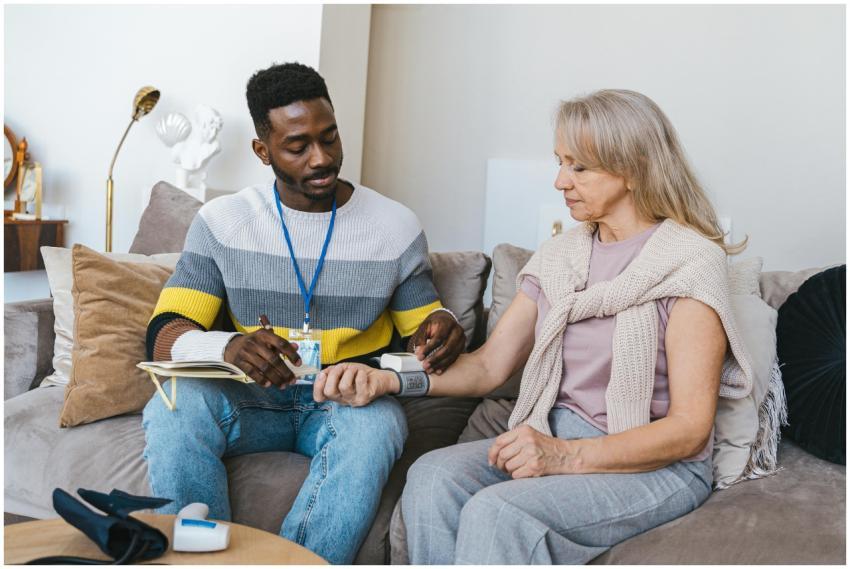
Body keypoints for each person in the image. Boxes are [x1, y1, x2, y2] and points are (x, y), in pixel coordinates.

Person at [312, 89, 755, 564]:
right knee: (432, 475)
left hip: (654, 465)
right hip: (553, 431)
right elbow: (487, 367)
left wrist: (564, 456)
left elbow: (689, 429)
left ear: (633, 166)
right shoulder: (559, 258)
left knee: (499, 512)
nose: (560, 180)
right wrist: (388, 379)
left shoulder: (689, 262)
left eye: (579, 167)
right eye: (560, 162)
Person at [141, 62, 466, 565]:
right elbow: (164, 334)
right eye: (298, 146)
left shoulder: (394, 225)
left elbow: (423, 324)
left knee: (379, 423)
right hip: (250, 400)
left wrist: (443, 328)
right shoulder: (223, 222)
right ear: (262, 150)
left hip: (340, 401)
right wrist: (227, 345)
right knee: (174, 404)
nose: (322, 158)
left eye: (330, 137)